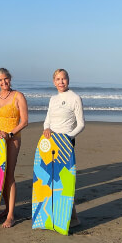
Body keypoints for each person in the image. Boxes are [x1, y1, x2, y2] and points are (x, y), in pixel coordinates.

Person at [0, 68, 28, 228]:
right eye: (0, 80)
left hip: (12, 139)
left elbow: (24, 121)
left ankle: (10, 215)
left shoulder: (18, 96)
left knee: (9, 175)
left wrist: (9, 134)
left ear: (10, 78)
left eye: (6, 79)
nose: (4, 82)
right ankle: (4, 208)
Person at [43, 68, 85, 228]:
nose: (61, 82)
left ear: (68, 80)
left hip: (66, 143)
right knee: (51, 180)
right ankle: (56, 216)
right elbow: (47, 119)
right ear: (54, 82)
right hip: (51, 143)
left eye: (64, 79)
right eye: (58, 79)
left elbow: (81, 124)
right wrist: (46, 128)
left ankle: (73, 218)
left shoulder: (75, 98)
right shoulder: (53, 99)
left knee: (65, 181)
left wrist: (68, 137)